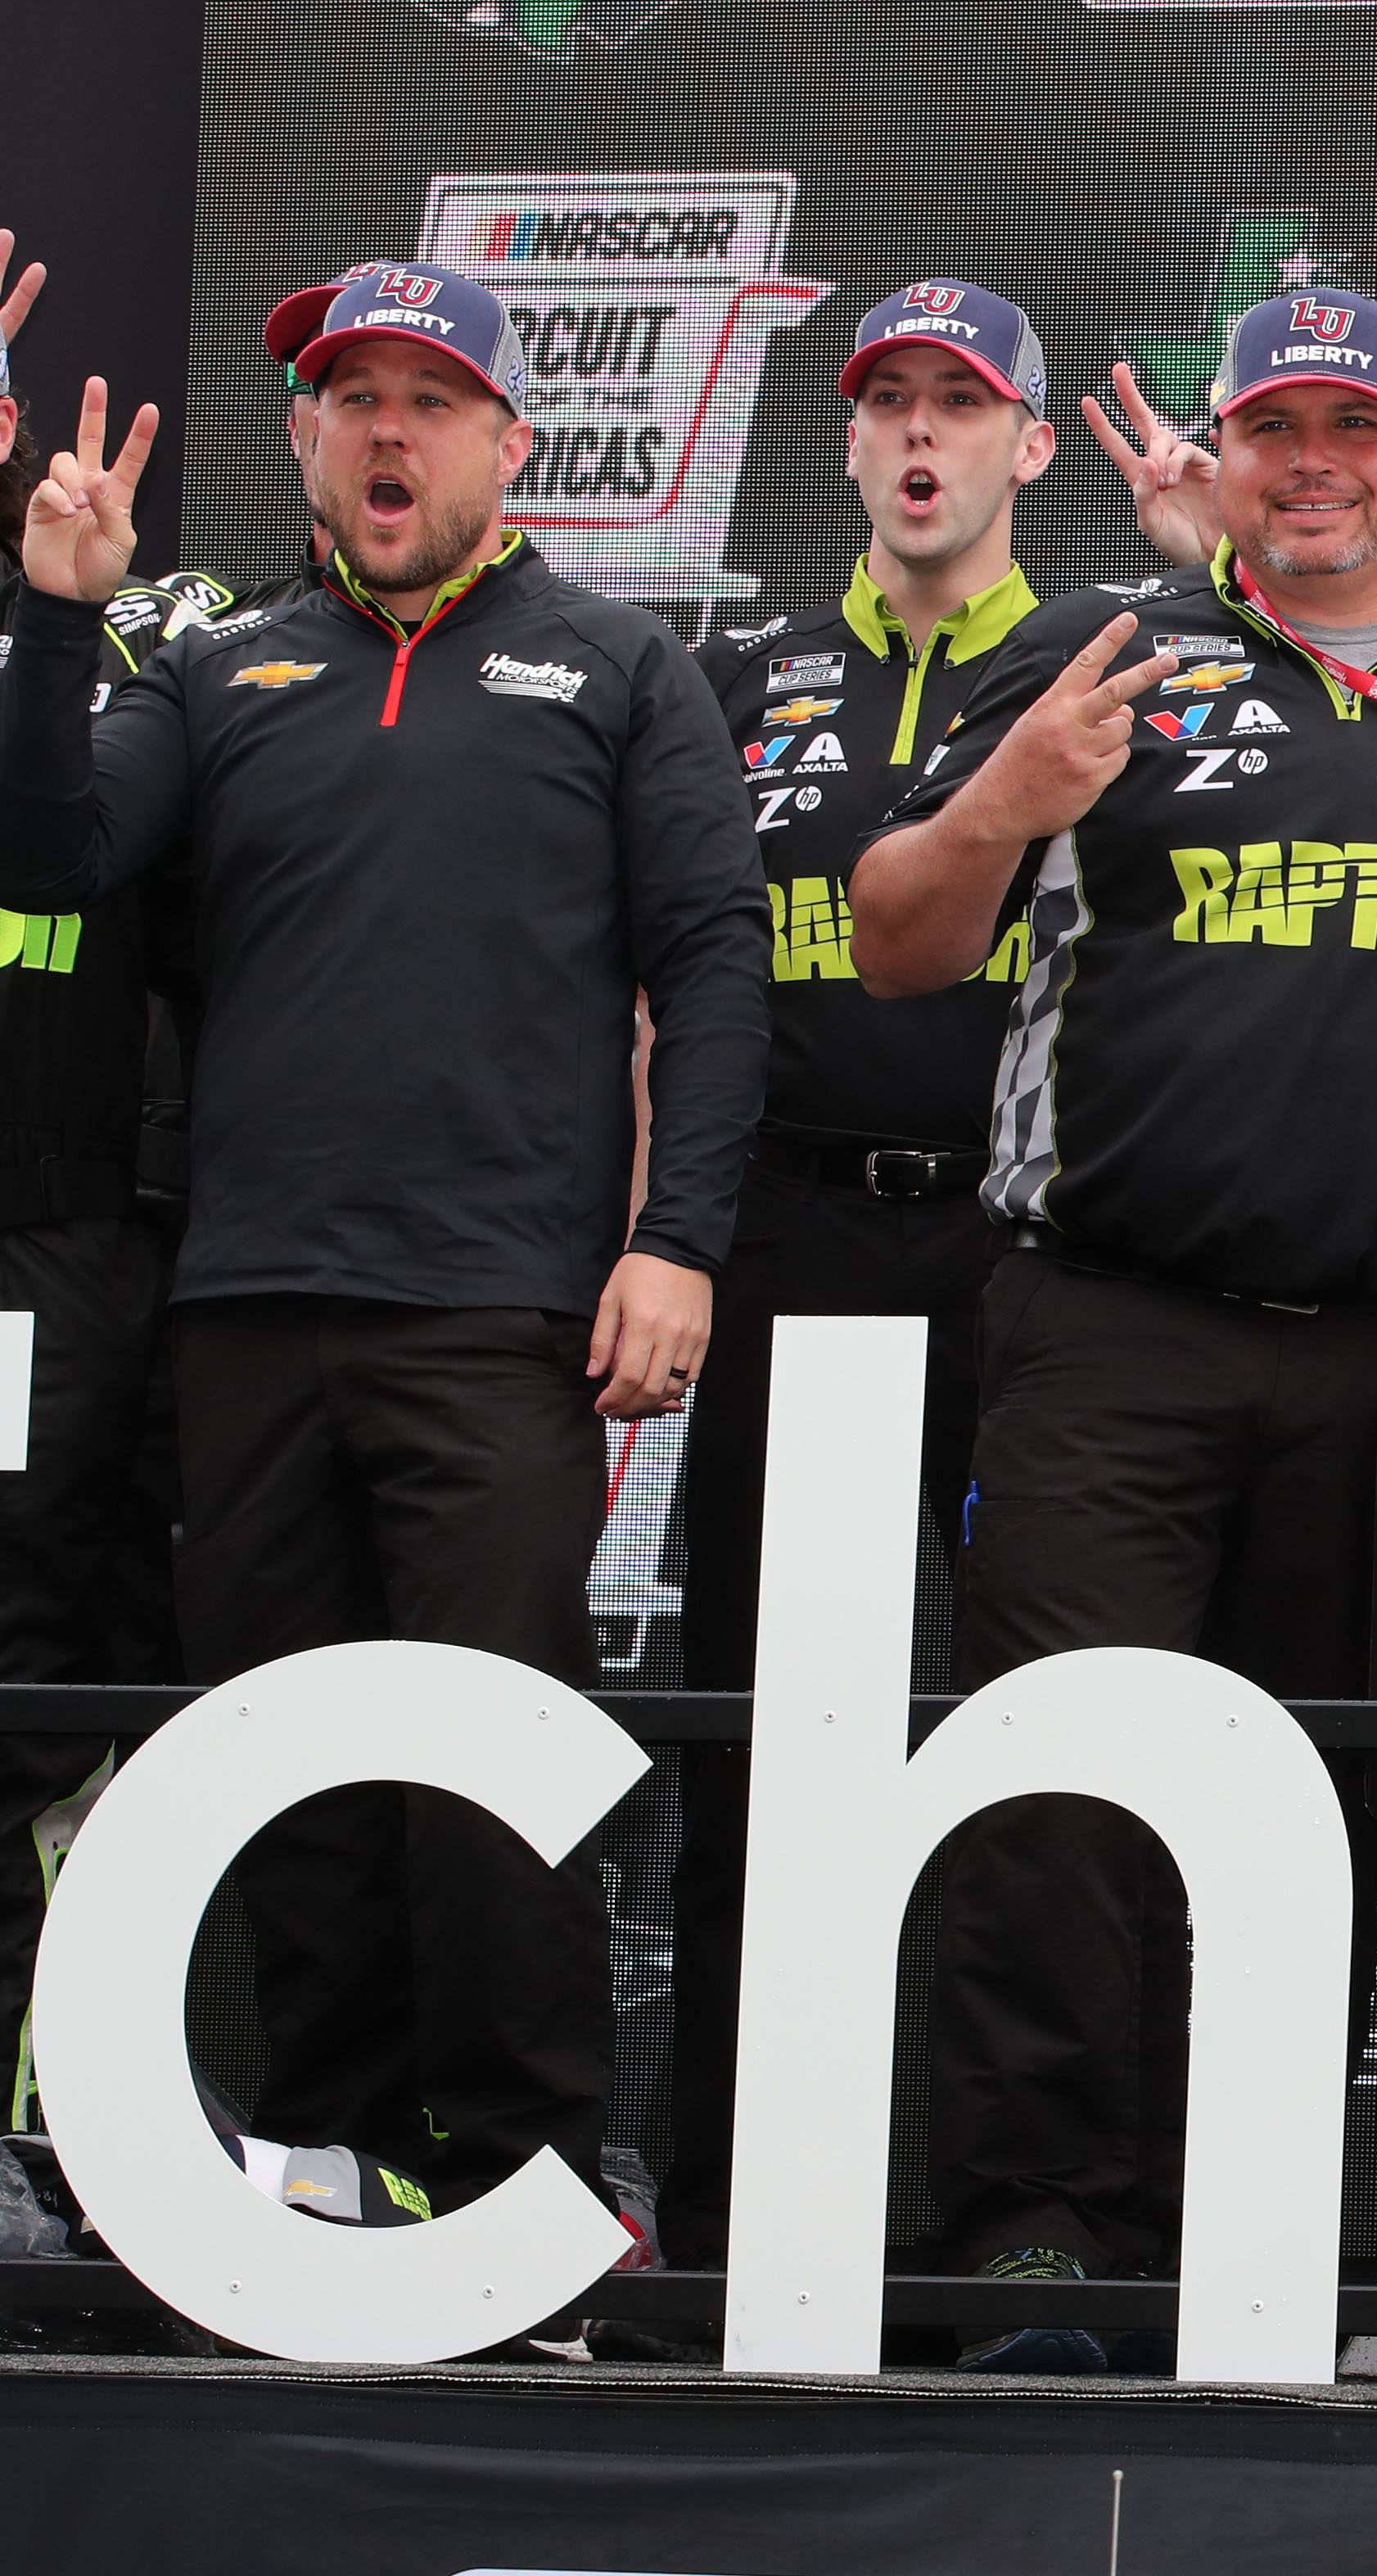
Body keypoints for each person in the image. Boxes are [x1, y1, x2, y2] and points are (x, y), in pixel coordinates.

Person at [845, 285, 1377, 2364]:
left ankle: (1242, 2235)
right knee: (1059, 1796)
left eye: (1360, 429)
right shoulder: (1102, 650)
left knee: (1310, 1806)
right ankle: (1038, 2234)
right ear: (1218, 456)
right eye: (1278, 429)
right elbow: (892, 941)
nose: (1318, 464)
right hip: (1103, 1323)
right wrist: (1000, 802)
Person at [0, 264, 765, 2228]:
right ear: (303, 441)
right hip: (243, 1308)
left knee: (496, 1762)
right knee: (281, 1763)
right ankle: (340, 2159)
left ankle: (526, 2178)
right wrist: (54, 622)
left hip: (498, 1314)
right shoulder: (217, 667)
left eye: (432, 398)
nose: (388, 431)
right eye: (351, 397)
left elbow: (713, 960)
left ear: (515, 442)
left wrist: (674, 1241)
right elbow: (50, 863)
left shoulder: (615, 667)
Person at [651, 279, 1059, 2280]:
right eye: (889, 400)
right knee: (762, 1727)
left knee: (1021, 1733)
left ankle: (1013, 2233)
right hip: (791, 1242)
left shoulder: (1100, 657)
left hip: (1019, 1251)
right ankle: (732, 2220)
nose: (922, 434)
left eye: (961, 404)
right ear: (844, 442)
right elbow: (655, 985)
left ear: (1029, 448)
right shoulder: (737, 676)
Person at [0, 229, 214, 2130]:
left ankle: (133, 2133)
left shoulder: (173, 617)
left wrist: (73, 599)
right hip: (8, 1271)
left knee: (159, 1692)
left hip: (149, 1257)